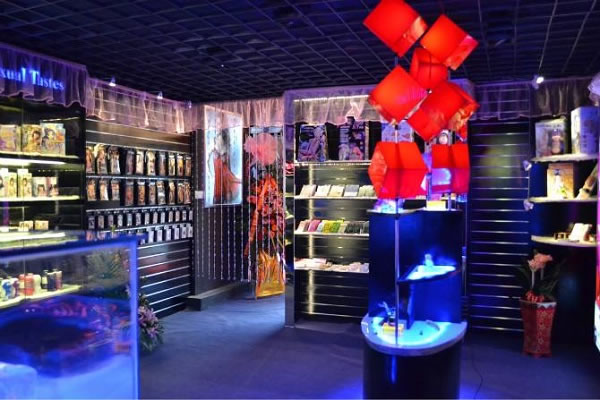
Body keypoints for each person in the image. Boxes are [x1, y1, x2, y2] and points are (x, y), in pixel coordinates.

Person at [208, 129, 241, 205]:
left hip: (223, 175)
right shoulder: (216, 151)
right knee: (221, 187)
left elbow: (227, 165)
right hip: (220, 175)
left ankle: (224, 200)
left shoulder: (224, 152)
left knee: (224, 187)